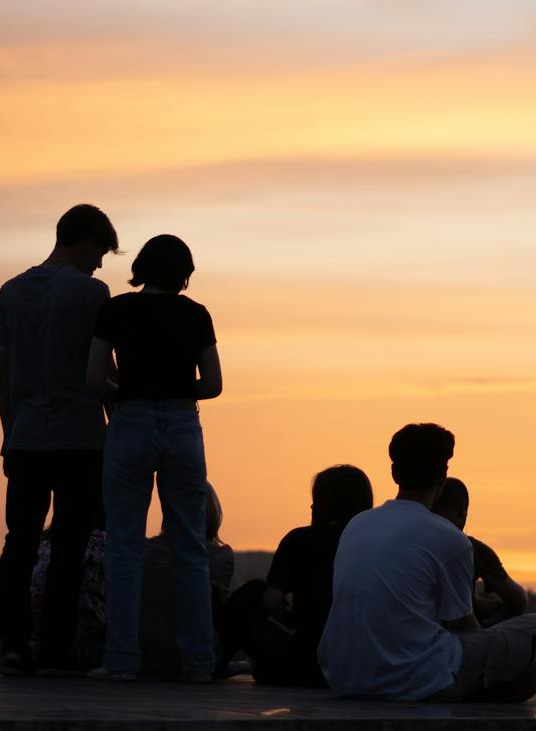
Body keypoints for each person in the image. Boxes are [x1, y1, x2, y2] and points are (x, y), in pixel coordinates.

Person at [318, 423, 536, 704]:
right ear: (443, 476)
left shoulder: (357, 524)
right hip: (413, 680)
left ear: (394, 473)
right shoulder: (450, 539)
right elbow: (463, 627)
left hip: (344, 677)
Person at [86, 233, 223, 683]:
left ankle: (122, 658)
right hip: (183, 426)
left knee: (124, 546)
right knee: (190, 547)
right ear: (184, 273)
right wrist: (180, 391)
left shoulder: (117, 310)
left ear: (141, 267)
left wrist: (122, 398)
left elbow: (94, 376)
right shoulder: (196, 315)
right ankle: (199, 660)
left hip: (131, 422)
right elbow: (214, 383)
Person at [0, 202, 119, 675]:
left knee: (19, 543)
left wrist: (7, 433)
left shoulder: (11, 291)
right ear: (83, 240)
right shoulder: (92, 294)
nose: (101, 262)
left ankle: (13, 644)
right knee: (69, 547)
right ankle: (57, 648)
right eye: (100, 250)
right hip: (80, 436)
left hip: (25, 435)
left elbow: (3, 372)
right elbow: (101, 367)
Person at [221, 464, 374, 687]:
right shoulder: (373, 543)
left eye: (316, 498)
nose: (312, 505)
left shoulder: (300, 540)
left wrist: (292, 620)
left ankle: (215, 663)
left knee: (252, 592)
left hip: (309, 660)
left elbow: (270, 600)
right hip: (360, 663)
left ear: (326, 503)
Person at [139, 483, 233, 678]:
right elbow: (214, 613)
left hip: (146, 657)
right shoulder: (220, 556)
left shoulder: (145, 550)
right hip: (190, 659)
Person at [432, 478, 529, 619]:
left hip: (414, 633)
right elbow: (518, 600)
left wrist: (477, 603)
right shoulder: (472, 549)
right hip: (457, 635)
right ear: (462, 513)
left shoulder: (415, 543)